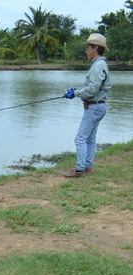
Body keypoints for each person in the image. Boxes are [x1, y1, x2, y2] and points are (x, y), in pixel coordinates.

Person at [63, 33, 112, 178]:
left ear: (95, 48)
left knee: (80, 138)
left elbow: (92, 89)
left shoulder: (98, 66)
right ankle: (87, 167)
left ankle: (79, 170)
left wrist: (75, 93)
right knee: (90, 138)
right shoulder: (99, 64)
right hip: (98, 106)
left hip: (94, 107)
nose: (86, 51)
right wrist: (77, 92)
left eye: (87, 48)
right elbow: (92, 87)